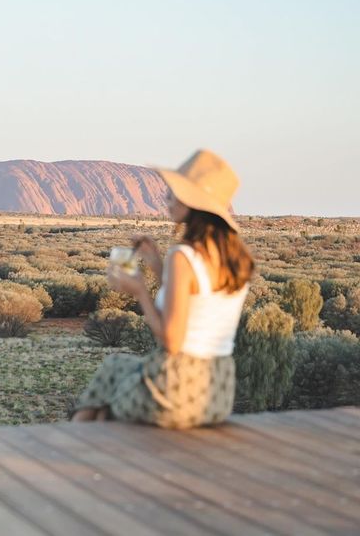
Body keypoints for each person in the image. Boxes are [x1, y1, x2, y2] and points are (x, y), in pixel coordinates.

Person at [71, 149, 254, 429]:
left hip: (176, 389)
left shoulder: (183, 256)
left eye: (175, 191)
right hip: (216, 391)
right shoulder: (236, 257)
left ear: (193, 202)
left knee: (104, 397)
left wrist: (140, 292)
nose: (166, 197)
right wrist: (157, 265)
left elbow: (172, 340)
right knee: (115, 368)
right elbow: (197, 304)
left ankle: (73, 444)